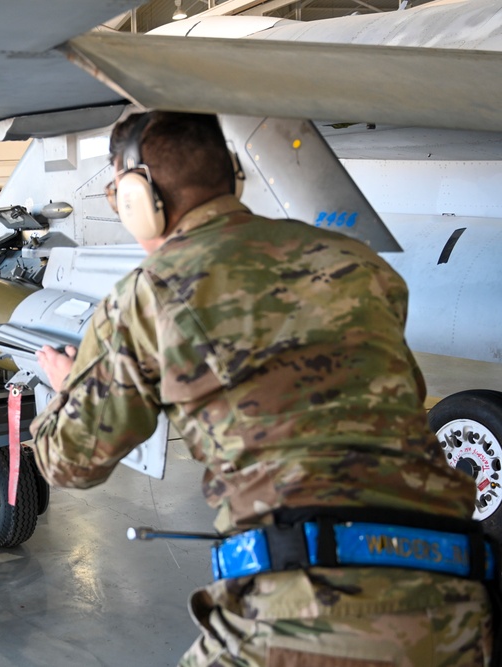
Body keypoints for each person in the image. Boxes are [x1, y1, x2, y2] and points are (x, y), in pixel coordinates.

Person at [30, 112, 495, 665]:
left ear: (139, 196)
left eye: (115, 191)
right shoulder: (358, 263)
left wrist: (65, 390)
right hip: (458, 601)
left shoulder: (152, 291)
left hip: (309, 614)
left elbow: (70, 464)